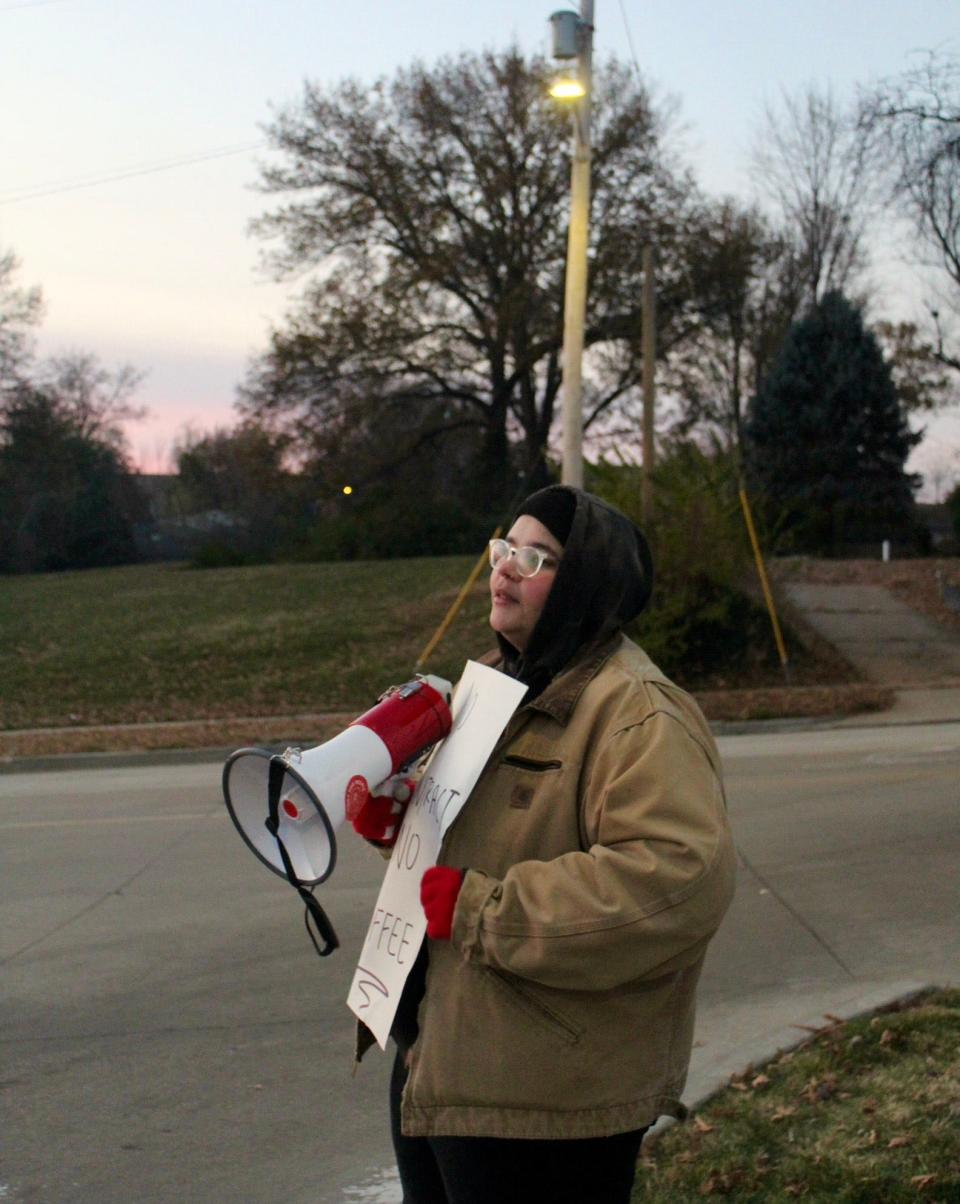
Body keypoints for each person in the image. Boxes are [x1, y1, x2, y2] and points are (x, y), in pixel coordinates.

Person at [353, 484, 737, 1204]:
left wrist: (484, 910)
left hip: (547, 1095)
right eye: (505, 550)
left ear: (588, 583)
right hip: (445, 1055)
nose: (504, 570)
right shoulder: (494, 689)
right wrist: (401, 824)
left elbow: (678, 880)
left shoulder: (636, 711)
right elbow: (479, 839)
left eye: (536, 559)